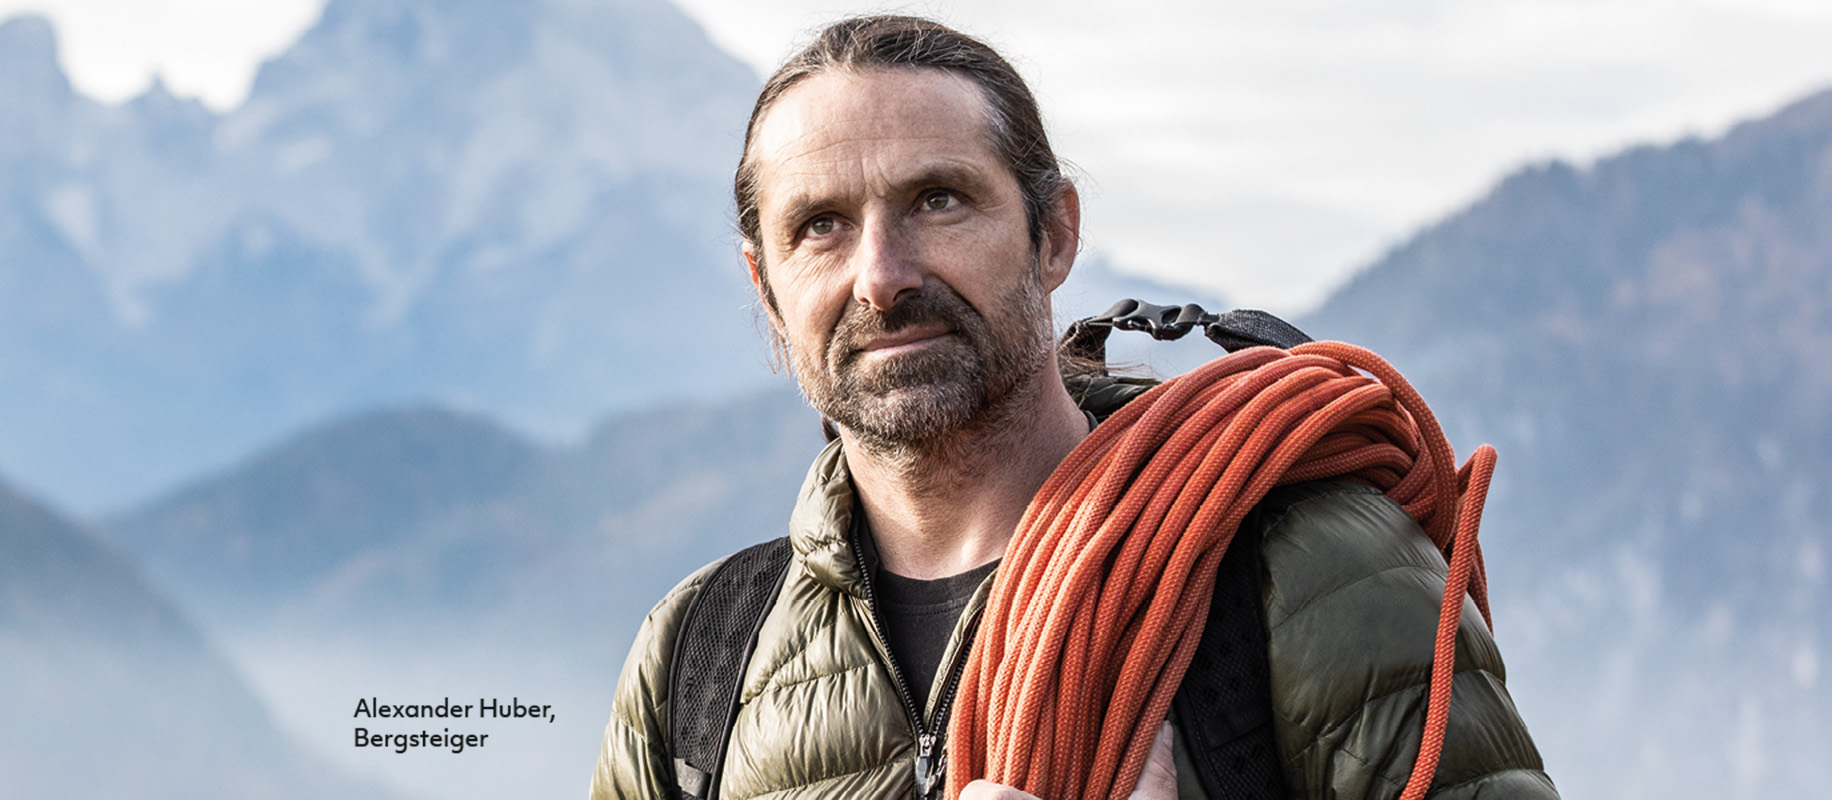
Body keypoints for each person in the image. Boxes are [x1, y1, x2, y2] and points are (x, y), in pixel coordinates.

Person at [589, 15, 1558, 800]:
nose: (880, 277)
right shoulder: (699, 657)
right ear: (766, 288)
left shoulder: (1303, 566)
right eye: (820, 226)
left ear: (1053, 234)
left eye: (938, 200)